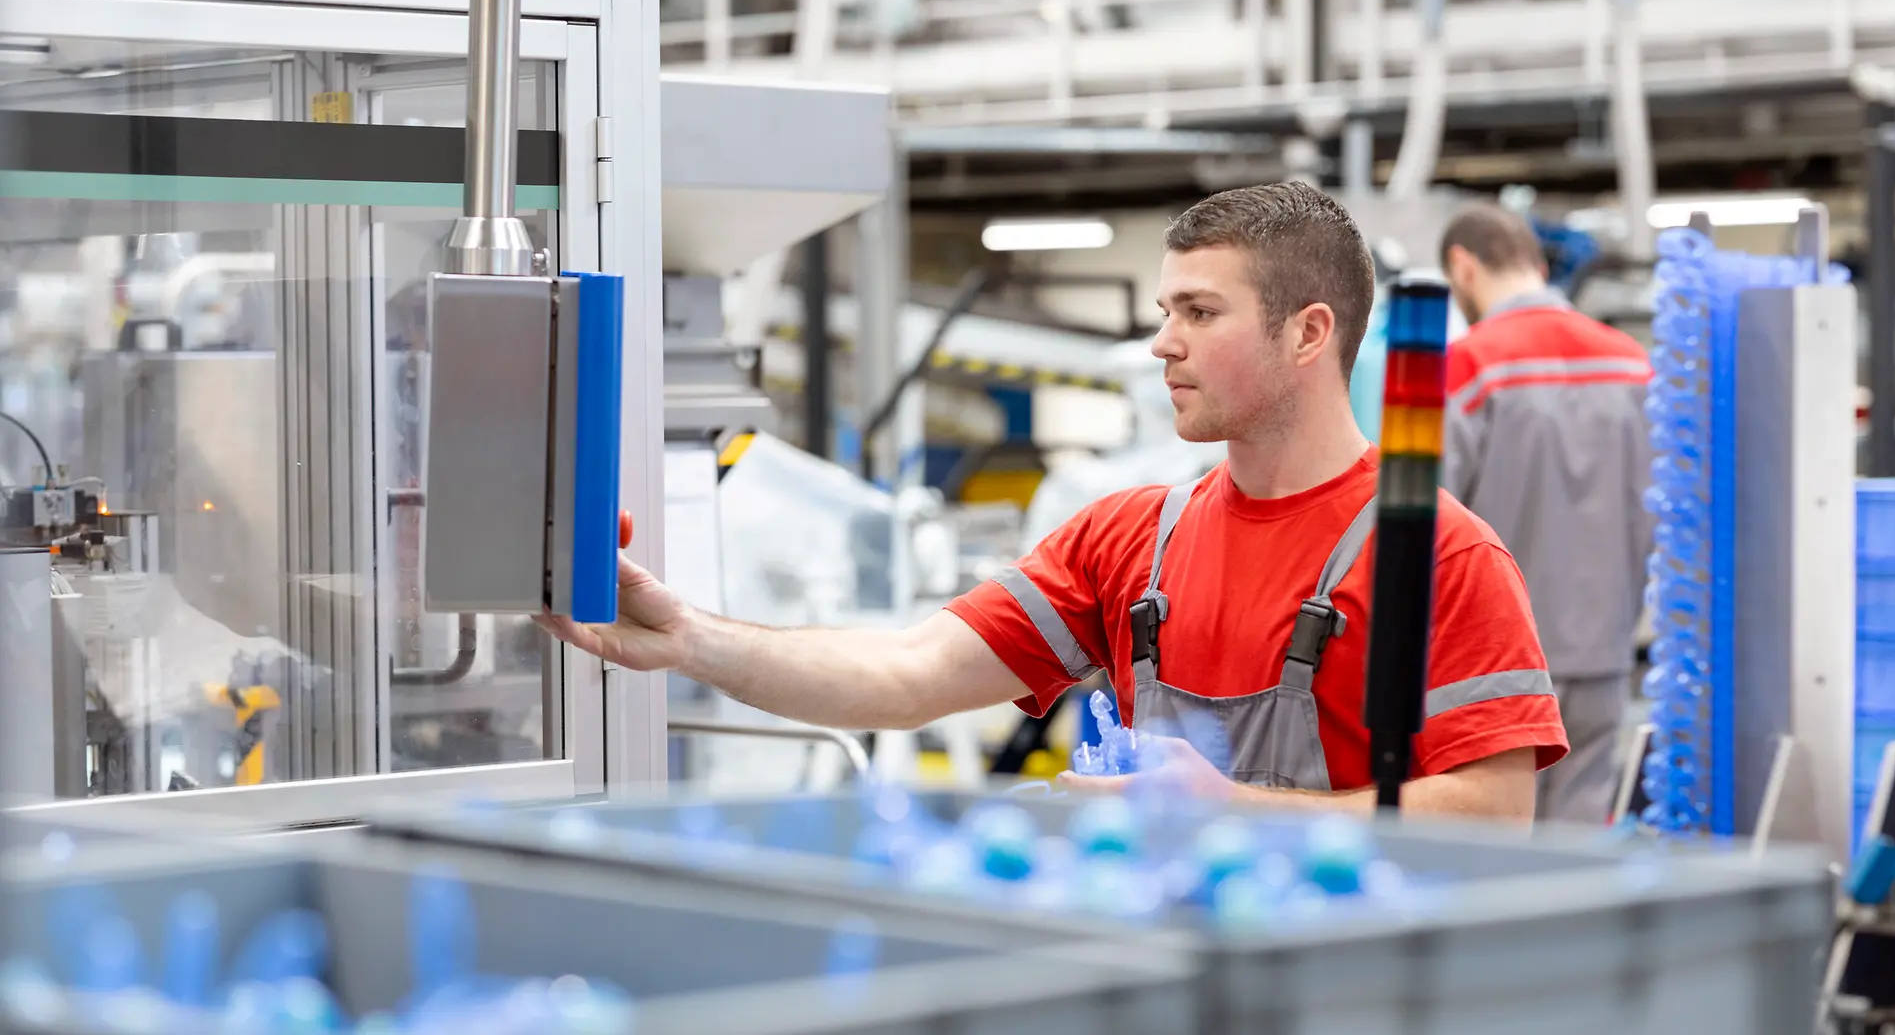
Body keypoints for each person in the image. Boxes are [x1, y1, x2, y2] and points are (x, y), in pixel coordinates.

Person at [542, 182, 1569, 822]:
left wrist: (1233, 814)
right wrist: (689, 641)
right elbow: (907, 672)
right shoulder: (1132, 540)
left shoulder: (1441, 556)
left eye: (1199, 312)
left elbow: (1492, 813)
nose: (1163, 341)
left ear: (1308, 334)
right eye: (1165, 309)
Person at [1438, 204, 1653, 824]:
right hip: (1606, 653)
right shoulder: (1633, 362)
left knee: (1495, 849)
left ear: (1463, 267)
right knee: (1580, 843)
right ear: (1537, 265)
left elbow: (1420, 522)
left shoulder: (1465, 366)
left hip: (1492, 668)